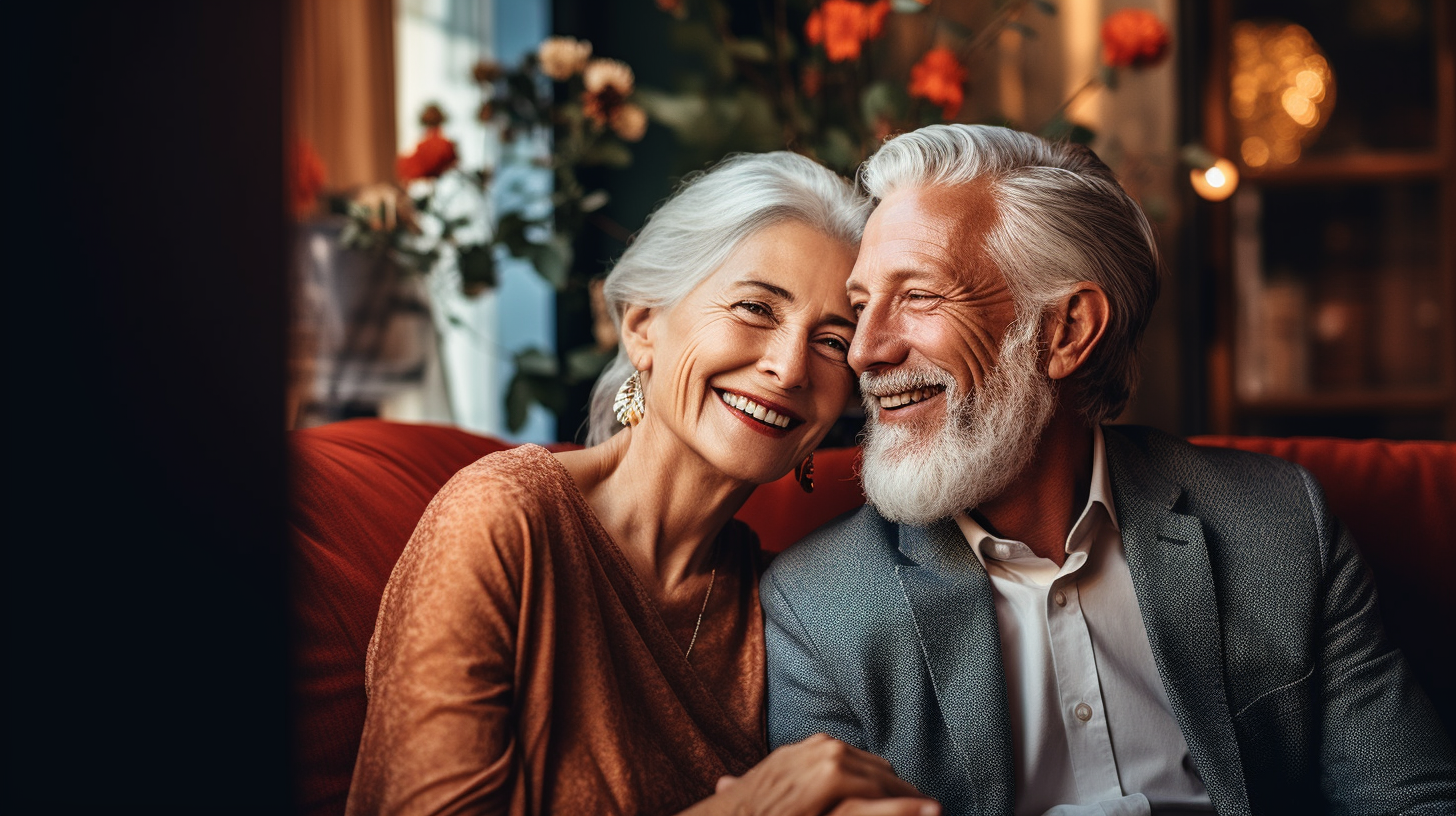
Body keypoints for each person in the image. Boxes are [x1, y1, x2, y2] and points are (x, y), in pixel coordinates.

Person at [761, 125, 1456, 815]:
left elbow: (1411, 799)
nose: (865, 352)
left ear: (1065, 332)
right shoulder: (817, 610)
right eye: (860, 308)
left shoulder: (1276, 523)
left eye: (918, 296)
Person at [346, 152, 938, 816]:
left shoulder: (789, 602)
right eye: (755, 308)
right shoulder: (501, 518)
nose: (788, 367)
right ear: (642, 326)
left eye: (833, 341)